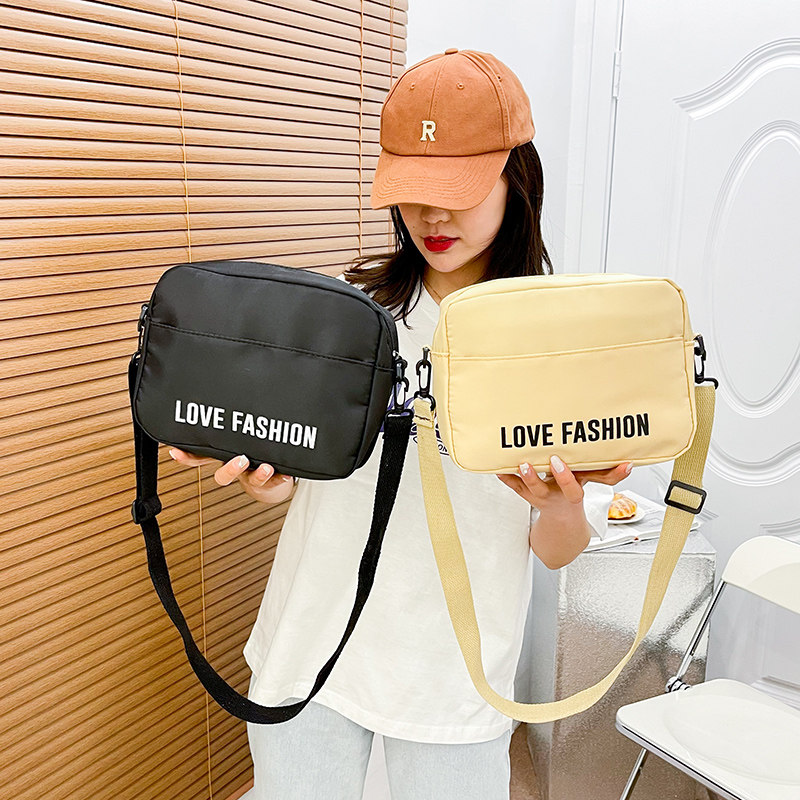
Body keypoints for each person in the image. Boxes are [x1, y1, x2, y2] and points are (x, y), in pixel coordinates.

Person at [168, 49, 632, 800]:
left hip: (453, 676)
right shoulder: (347, 314)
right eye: (414, 192)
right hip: (312, 648)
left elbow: (558, 551)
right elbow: (309, 481)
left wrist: (559, 505)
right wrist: (272, 482)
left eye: (456, 192)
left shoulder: (551, 340)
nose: (432, 217)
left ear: (518, 180)